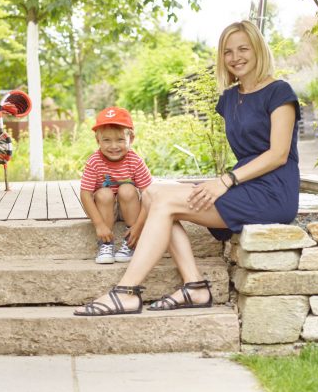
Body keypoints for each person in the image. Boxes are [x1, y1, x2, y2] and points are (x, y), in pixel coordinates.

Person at [75, 20, 301, 316]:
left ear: (258, 49)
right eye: (228, 51)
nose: (236, 57)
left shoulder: (279, 92)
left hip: (272, 192)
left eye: (243, 48)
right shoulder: (230, 98)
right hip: (243, 184)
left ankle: (127, 291)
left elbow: (277, 154)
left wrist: (225, 181)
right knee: (155, 194)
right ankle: (194, 286)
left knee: (165, 201)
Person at [79, 107, 153, 265]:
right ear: (98, 140)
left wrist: (139, 226)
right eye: (107, 140)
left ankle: (131, 241)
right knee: (103, 193)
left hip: (130, 207)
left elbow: (150, 195)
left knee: (127, 189)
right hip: (105, 209)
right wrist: (99, 225)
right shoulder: (94, 162)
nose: (114, 146)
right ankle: (106, 243)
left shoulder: (135, 161)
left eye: (120, 140)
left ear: (131, 139)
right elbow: (85, 194)